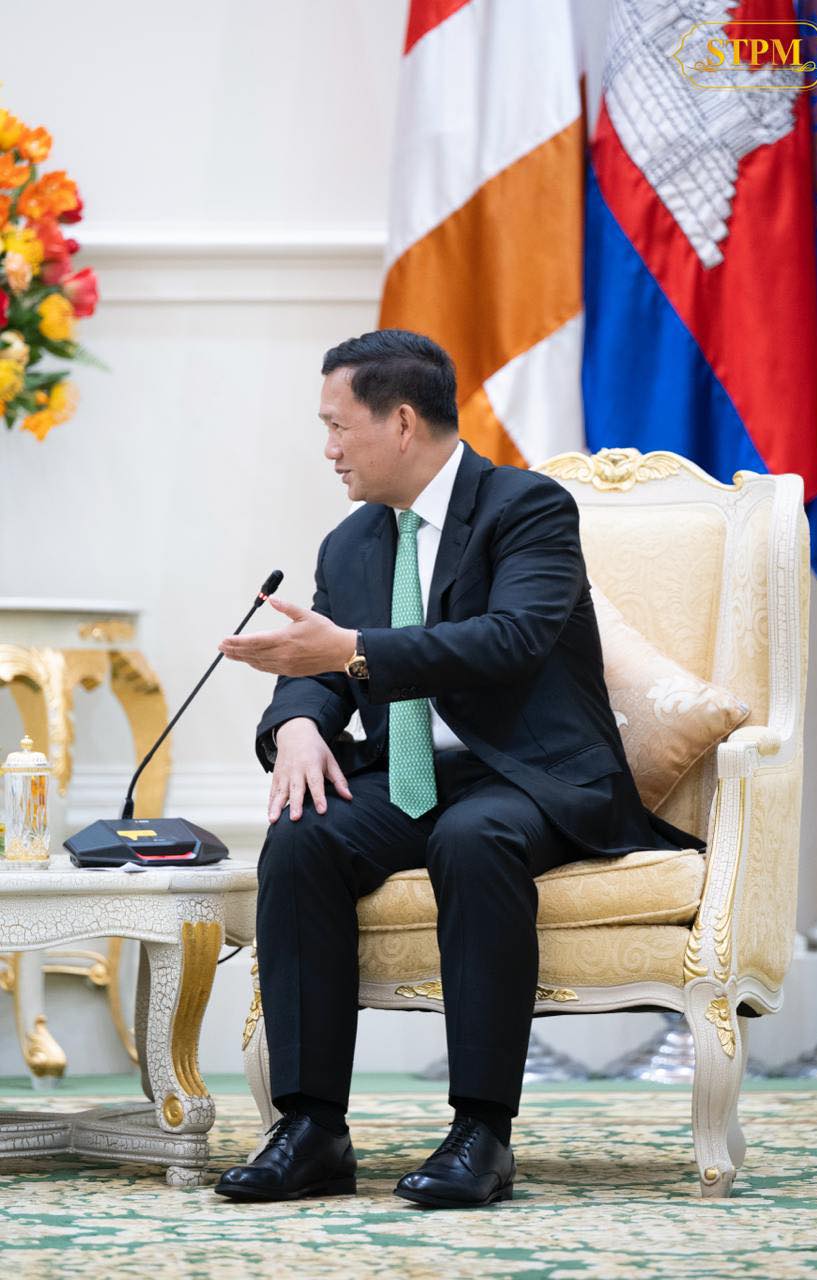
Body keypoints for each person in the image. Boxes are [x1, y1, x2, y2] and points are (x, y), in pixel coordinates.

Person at [214, 328, 702, 1208]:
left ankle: (481, 1133)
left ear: (401, 422)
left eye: (337, 426)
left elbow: (509, 640)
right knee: (302, 836)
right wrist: (295, 726)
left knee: (474, 840)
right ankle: (311, 1128)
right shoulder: (350, 544)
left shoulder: (527, 507)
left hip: (531, 775)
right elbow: (317, 669)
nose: (328, 450)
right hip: (410, 776)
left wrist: (352, 650)